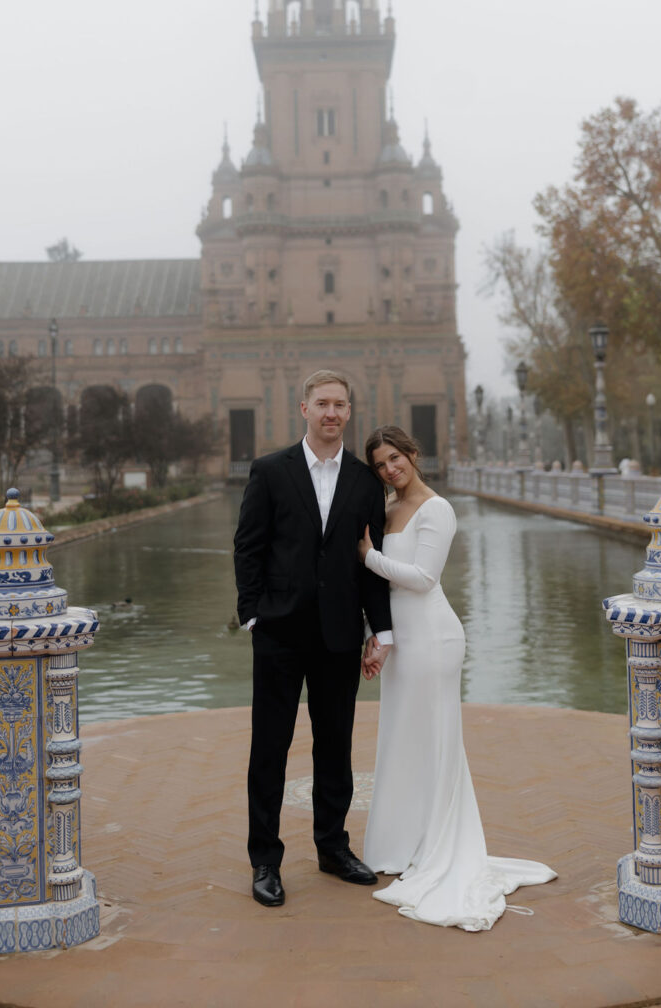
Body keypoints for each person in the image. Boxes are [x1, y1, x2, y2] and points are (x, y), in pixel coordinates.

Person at [358, 425, 556, 930]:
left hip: (433, 636)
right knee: (401, 738)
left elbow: (423, 579)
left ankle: (440, 845)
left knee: (434, 739)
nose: (389, 469)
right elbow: (380, 589)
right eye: (380, 464)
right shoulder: (386, 508)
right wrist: (377, 635)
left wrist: (367, 556)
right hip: (400, 638)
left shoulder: (437, 509)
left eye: (395, 458)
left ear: (412, 453)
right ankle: (402, 845)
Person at [234, 370, 393, 908]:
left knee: (335, 746)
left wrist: (380, 631)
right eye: (322, 403)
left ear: (349, 411)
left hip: (339, 634)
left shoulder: (365, 482)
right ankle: (265, 860)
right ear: (303, 408)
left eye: (340, 405)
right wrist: (252, 616)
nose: (331, 413)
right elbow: (248, 547)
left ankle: (333, 847)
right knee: (269, 748)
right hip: (278, 631)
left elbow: (371, 564)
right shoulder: (270, 471)